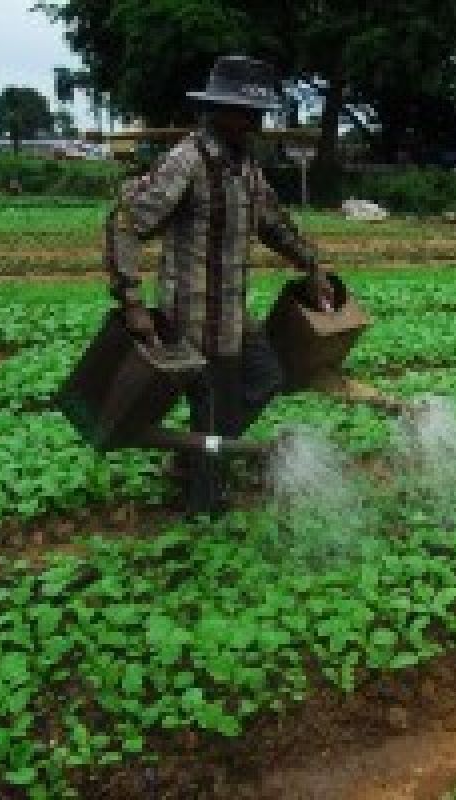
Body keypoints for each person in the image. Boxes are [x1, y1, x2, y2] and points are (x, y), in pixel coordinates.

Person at [103, 55, 333, 514]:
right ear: (219, 110)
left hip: (232, 310)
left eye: (258, 114)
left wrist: (312, 264)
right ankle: (203, 503)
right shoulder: (186, 162)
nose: (255, 123)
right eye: (247, 113)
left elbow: (272, 223)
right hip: (194, 313)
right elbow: (125, 222)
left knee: (267, 377)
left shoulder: (243, 165)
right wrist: (131, 299)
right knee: (214, 404)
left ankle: (196, 458)